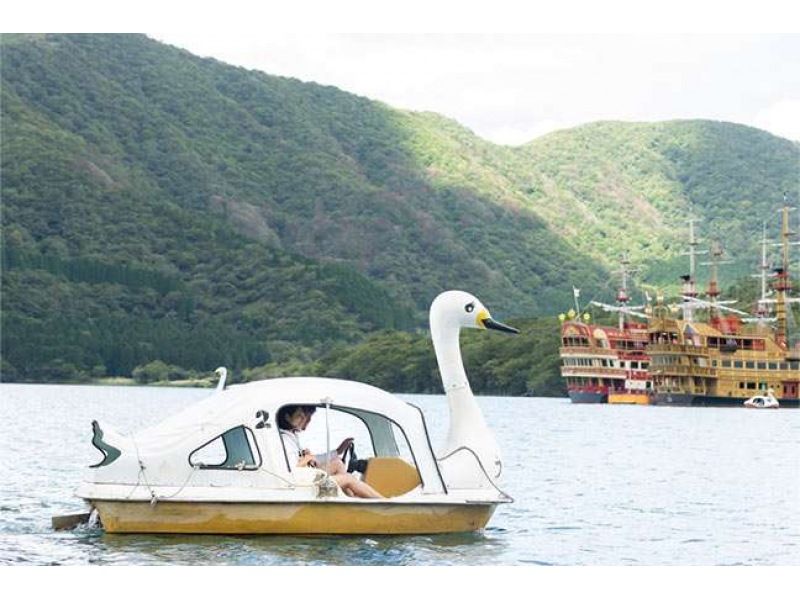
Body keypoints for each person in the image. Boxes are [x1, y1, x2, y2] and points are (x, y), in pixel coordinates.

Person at [277, 405, 383, 499]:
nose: (305, 419)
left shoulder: (292, 436)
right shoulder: (284, 439)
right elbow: (290, 471)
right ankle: (384, 502)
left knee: (337, 463)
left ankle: (349, 499)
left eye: (306, 416)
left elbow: (311, 459)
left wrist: (338, 451)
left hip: (306, 477)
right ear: (287, 417)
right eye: (300, 416)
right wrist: (306, 459)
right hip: (302, 485)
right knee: (349, 479)